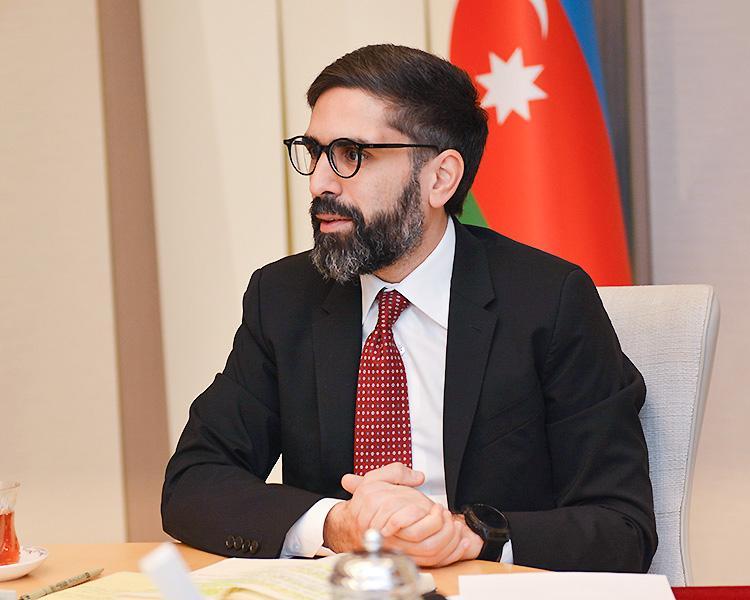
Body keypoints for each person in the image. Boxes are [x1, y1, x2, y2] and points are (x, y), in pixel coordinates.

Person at [162, 44, 657, 572]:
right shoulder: (284, 297)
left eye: (351, 154)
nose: (320, 182)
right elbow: (194, 482)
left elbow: (621, 525)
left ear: (440, 178)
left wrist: (470, 536)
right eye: (315, 151)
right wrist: (335, 523)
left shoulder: (547, 300)